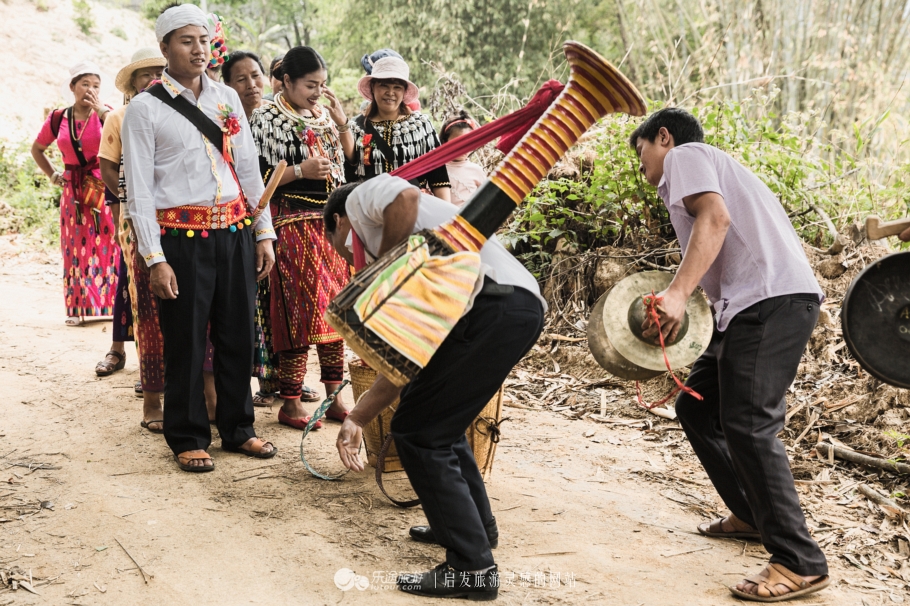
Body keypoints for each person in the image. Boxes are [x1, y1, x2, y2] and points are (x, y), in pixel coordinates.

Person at [630, 107, 830, 602]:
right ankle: (749, 514)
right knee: (697, 406)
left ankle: (799, 561)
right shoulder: (713, 168)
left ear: (663, 137)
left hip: (770, 301)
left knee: (748, 421)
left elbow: (715, 220)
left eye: (641, 153)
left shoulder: (688, 155)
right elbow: (717, 238)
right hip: (747, 307)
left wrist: (676, 295)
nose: (641, 166)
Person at [326, 174, 545, 600]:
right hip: (513, 306)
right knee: (436, 419)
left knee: (419, 433)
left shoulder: (359, 200)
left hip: (493, 303)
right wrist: (357, 417)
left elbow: (405, 194)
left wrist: (390, 273)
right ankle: (475, 530)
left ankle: (471, 567)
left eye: (335, 244)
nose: (343, 255)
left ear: (336, 222)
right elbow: (402, 370)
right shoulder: (418, 243)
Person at [122, 4, 278, 472]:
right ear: (166, 47)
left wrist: (263, 233)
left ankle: (239, 428)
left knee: (236, 334)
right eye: (186, 41)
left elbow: (249, 169)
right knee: (186, 338)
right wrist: (154, 257)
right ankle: (188, 434)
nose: (197, 50)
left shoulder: (226, 97)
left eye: (204, 41)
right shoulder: (144, 109)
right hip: (180, 239)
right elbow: (140, 191)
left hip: (234, 231)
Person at [249, 46, 353, 428]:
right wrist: (299, 170)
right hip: (290, 225)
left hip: (330, 228)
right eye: (311, 85)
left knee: (335, 312)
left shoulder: (324, 117)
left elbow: (348, 166)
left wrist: (341, 124)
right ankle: (290, 401)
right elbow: (252, 180)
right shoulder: (263, 119)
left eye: (322, 85)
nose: (317, 92)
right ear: (287, 81)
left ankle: (335, 398)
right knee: (299, 312)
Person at [31, 62, 122, 367]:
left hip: (101, 185)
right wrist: (53, 175)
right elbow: (37, 148)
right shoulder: (58, 118)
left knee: (109, 244)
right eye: (84, 84)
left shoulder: (105, 114)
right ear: (72, 87)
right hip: (72, 189)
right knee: (75, 247)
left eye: (96, 85)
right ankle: (79, 308)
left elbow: (121, 136)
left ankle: (108, 304)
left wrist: (101, 112)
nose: (90, 90)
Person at [100, 48, 166, 431]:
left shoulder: (179, 112)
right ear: (133, 82)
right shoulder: (119, 117)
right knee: (145, 304)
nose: (154, 78)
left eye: (160, 71)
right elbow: (107, 167)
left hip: (180, 220)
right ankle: (153, 395)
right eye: (146, 74)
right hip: (136, 221)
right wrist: (129, 200)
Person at [346, 56, 450, 201]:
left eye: (397, 87)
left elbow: (439, 178)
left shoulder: (421, 125)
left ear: (404, 92)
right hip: (369, 211)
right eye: (384, 86)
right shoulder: (355, 127)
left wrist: (446, 219)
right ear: (373, 87)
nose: (390, 93)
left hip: (414, 211)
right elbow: (347, 177)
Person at [439, 110, 486, 206]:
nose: (463, 148)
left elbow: (485, 202)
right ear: (445, 142)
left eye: (468, 143)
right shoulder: (437, 170)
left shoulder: (476, 171)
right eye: (457, 143)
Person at [222, 50, 267, 119]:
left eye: (255, 75)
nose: (251, 85)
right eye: (241, 79)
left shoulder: (280, 114)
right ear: (227, 84)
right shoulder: (221, 119)